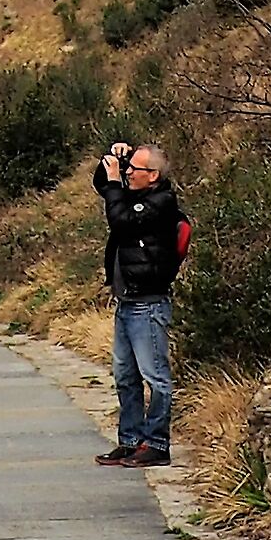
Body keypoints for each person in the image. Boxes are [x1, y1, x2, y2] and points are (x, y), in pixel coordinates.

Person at [92, 141, 190, 468]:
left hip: (148, 304)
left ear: (154, 176)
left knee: (156, 377)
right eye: (128, 167)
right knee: (125, 376)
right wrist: (115, 161)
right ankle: (131, 440)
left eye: (135, 169)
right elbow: (103, 185)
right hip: (127, 302)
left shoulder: (161, 203)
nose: (129, 173)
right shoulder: (136, 196)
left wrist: (116, 183)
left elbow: (120, 220)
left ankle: (157, 443)